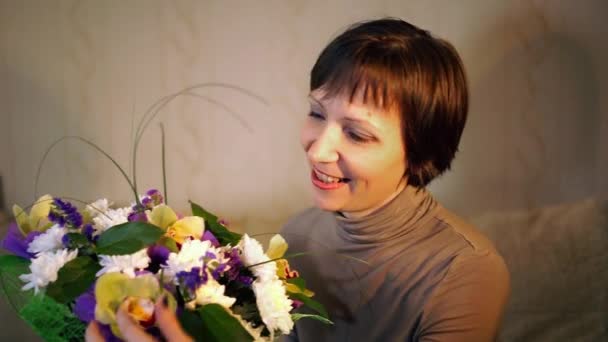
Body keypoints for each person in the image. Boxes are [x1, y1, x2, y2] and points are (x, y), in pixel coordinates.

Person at [88, 17, 510, 342]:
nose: (317, 149)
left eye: (357, 133)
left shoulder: (466, 270)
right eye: (316, 114)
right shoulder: (299, 233)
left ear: (421, 151)